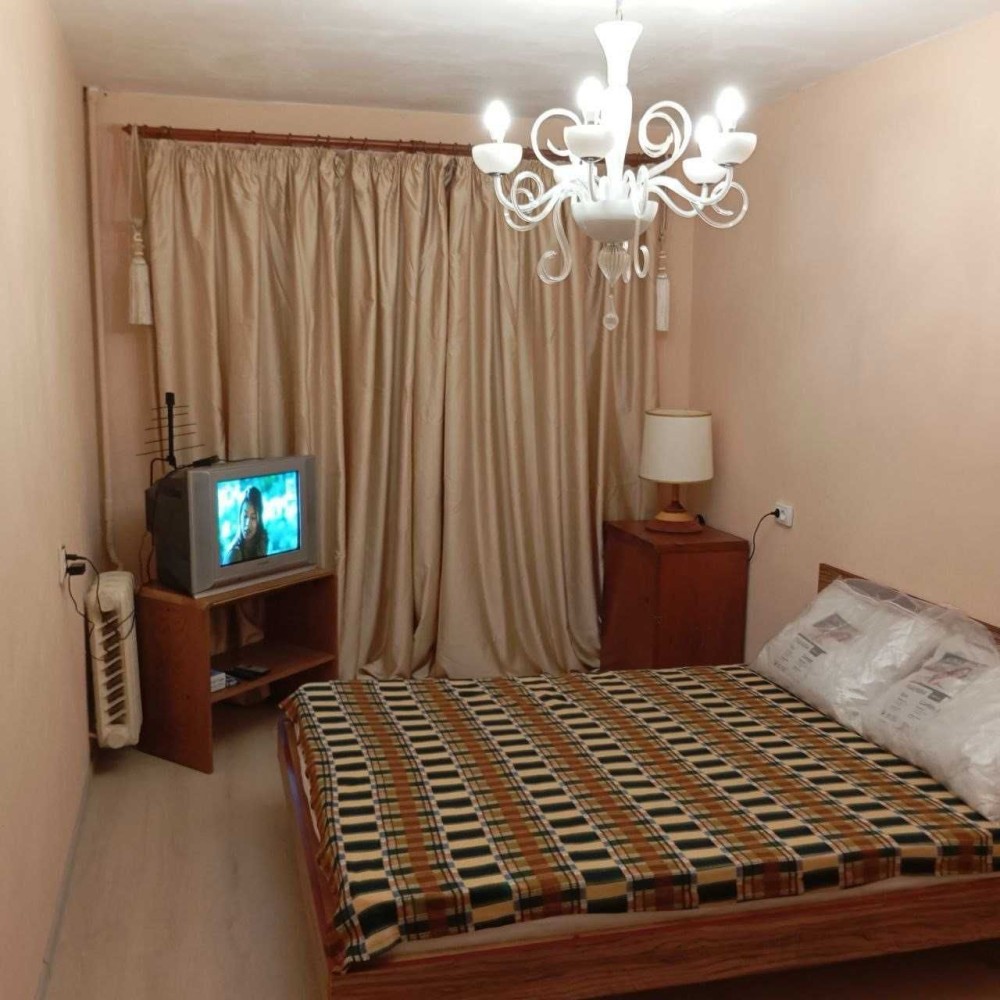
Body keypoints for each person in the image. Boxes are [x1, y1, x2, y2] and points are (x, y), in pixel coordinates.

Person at [226, 486, 269, 564]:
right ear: (240, 516)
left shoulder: (262, 541)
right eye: (245, 516)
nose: (247, 524)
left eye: (253, 518)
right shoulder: (235, 553)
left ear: (259, 520)